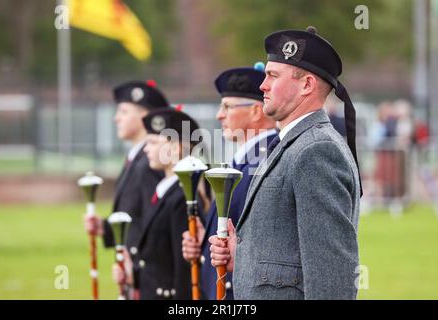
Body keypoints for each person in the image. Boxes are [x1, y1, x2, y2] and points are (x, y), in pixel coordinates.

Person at [209, 27, 362, 300]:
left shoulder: (317, 150)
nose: (262, 85)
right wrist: (241, 257)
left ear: (306, 85)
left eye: (273, 76)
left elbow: (331, 276)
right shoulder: (292, 143)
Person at [181, 64, 277, 299]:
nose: (219, 115)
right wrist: (204, 238)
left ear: (256, 111)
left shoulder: (268, 160)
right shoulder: (245, 159)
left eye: (227, 106)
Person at [83, 80, 169, 299]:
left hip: (146, 277)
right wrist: (105, 227)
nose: (116, 118)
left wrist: (137, 271)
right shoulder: (135, 160)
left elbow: (155, 224)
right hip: (133, 274)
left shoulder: (149, 164)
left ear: (143, 117)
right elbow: (134, 216)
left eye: (123, 111)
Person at [114, 107, 206, 299]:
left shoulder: (182, 198)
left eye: (153, 142)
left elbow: (184, 272)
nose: (146, 148)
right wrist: (132, 275)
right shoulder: (165, 192)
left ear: (175, 148)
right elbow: (155, 262)